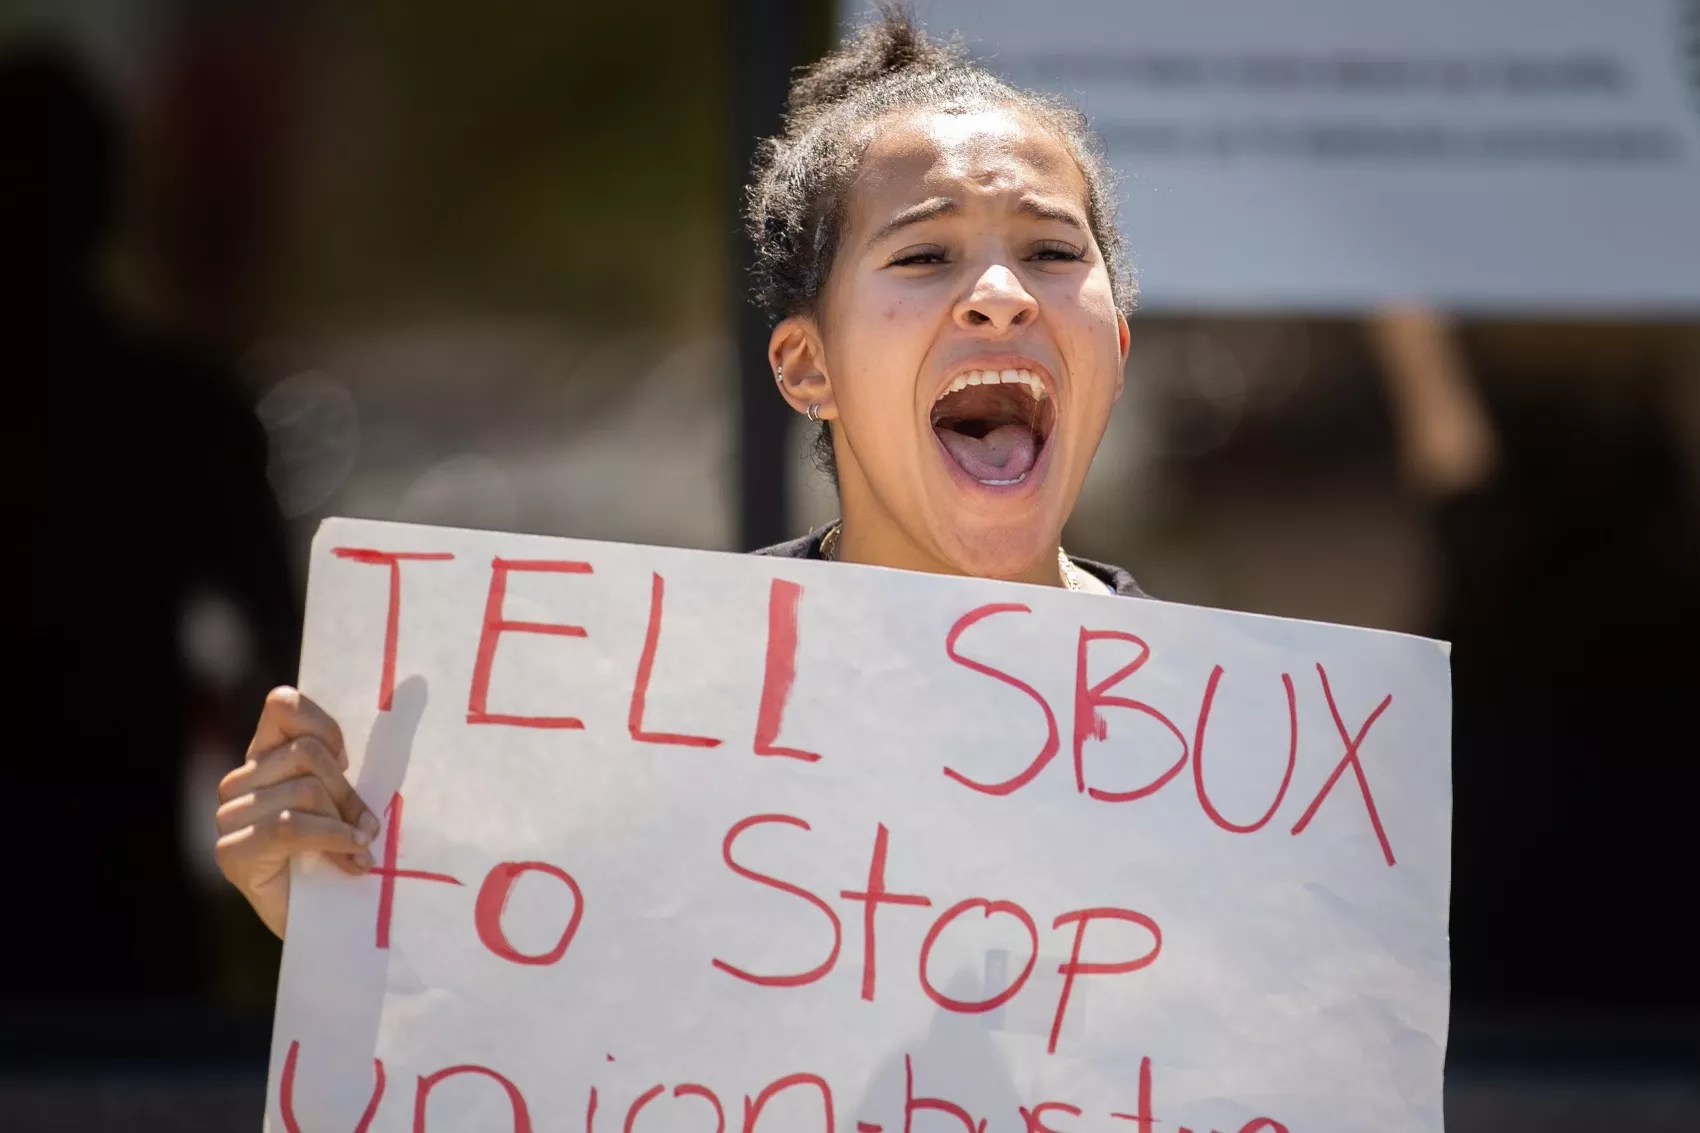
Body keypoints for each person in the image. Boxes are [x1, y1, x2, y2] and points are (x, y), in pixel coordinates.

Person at [215, 6, 1148, 938]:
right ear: (807, 367)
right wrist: (343, 912)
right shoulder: (656, 716)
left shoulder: (1214, 742)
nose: (999, 297)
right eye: (925, 254)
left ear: (1114, 347)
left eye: (1052, 251)